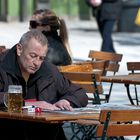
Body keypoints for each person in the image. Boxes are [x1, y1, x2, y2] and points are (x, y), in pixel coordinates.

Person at [0, 30, 88, 140]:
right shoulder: (2, 66)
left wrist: (66, 101)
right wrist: (29, 104)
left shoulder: (49, 71)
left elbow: (80, 93)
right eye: (33, 56)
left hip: (47, 134)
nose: (37, 63)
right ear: (19, 49)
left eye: (41, 58)